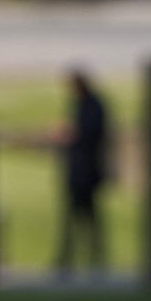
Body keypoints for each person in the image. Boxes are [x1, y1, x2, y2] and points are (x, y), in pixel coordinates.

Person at [54, 69, 111, 275]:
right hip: (81, 170)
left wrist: (66, 136)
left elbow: (87, 135)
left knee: (85, 218)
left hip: (85, 172)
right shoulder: (87, 105)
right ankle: (72, 259)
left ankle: (86, 259)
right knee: (77, 218)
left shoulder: (92, 106)